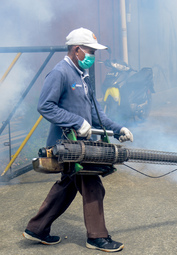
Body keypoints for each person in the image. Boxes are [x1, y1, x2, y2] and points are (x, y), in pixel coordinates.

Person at [23, 27, 133, 252]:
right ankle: (97, 237)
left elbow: (96, 113)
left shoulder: (83, 76)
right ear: (77, 50)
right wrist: (75, 121)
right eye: (90, 51)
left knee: (68, 185)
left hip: (81, 145)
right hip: (66, 145)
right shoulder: (60, 73)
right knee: (92, 185)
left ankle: (37, 228)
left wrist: (118, 127)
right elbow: (45, 106)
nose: (92, 56)